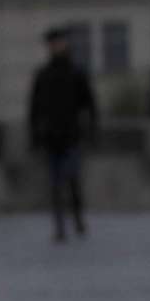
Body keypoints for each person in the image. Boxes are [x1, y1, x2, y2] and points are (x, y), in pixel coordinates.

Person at [28, 26, 98, 242]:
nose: (56, 46)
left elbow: (90, 105)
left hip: (71, 135)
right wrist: (35, 137)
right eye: (53, 43)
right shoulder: (43, 75)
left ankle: (76, 218)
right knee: (56, 184)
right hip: (52, 137)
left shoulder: (76, 73)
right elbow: (34, 109)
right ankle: (60, 226)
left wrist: (92, 132)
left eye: (59, 42)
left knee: (71, 179)